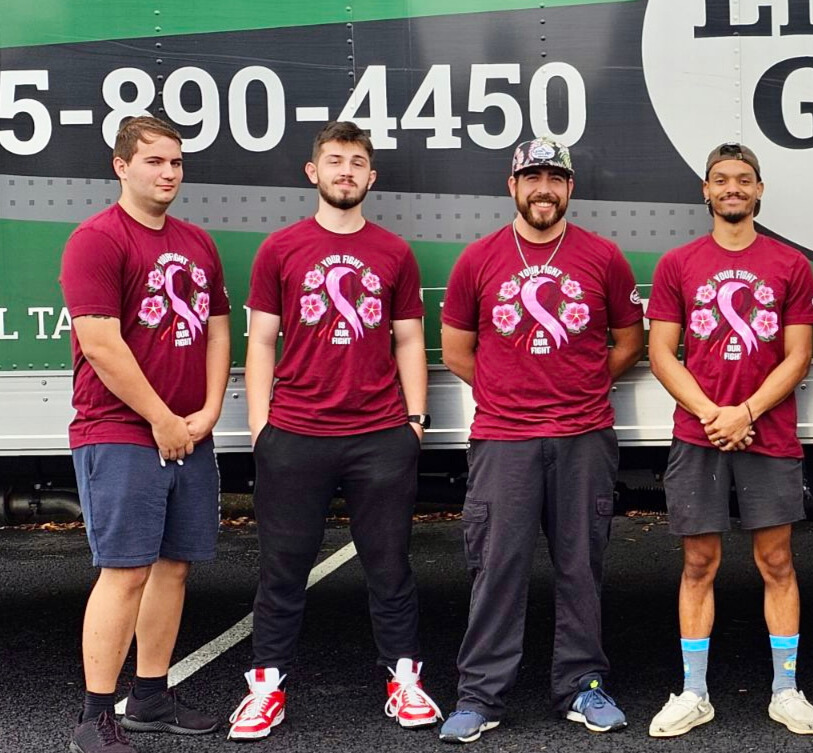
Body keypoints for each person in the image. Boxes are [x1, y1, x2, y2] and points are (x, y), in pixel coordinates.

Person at [227, 122, 439, 740]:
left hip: (380, 436)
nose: (346, 171)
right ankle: (266, 685)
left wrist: (415, 423)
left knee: (389, 566)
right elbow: (261, 340)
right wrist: (263, 426)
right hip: (295, 434)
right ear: (312, 172)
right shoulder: (280, 249)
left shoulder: (394, 251)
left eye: (357, 163)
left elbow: (408, 339)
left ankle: (404, 681)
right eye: (335, 161)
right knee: (282, 568)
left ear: (371, 178)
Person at [438, 137, 645, 742]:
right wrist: (511, 389)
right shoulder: (477, 259)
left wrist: (581, 385)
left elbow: (629, 341)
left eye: (556, 177)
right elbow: (456, 351)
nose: (543, 188)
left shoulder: (603, 257)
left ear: (570, 188)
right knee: (496, 567)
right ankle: (481, 696)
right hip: (504, 438)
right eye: (532, 177)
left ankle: (582, 685)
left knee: (581, 566)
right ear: (512, 186)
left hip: (584, 435)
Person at [644, 143, 813, 738]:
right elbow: (661, 354)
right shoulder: (677, 264)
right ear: (705, 190)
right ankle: (694, 692)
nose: (732, 189)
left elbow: (798, 356)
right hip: (700, 436)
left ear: (759, 190)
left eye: (743, 180)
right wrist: (712, 415)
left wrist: (744, 410)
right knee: (699, 562)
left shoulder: (790, 265)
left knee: (776, 561)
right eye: (721, 180)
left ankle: (786, 690)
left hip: (767, 432)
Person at [60, 116, 230, 753]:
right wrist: (160, 417)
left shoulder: (198, 243)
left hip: (187, 431)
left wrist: (210, 409)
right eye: (155, 161)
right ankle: (94, 716)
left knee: (173, 567)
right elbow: (101, 343)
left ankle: (152, 697)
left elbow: (217, 328)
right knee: (125, 571)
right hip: (121, 430)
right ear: (121, 166)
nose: (168, 173)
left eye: (176, 163)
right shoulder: (96, 241)